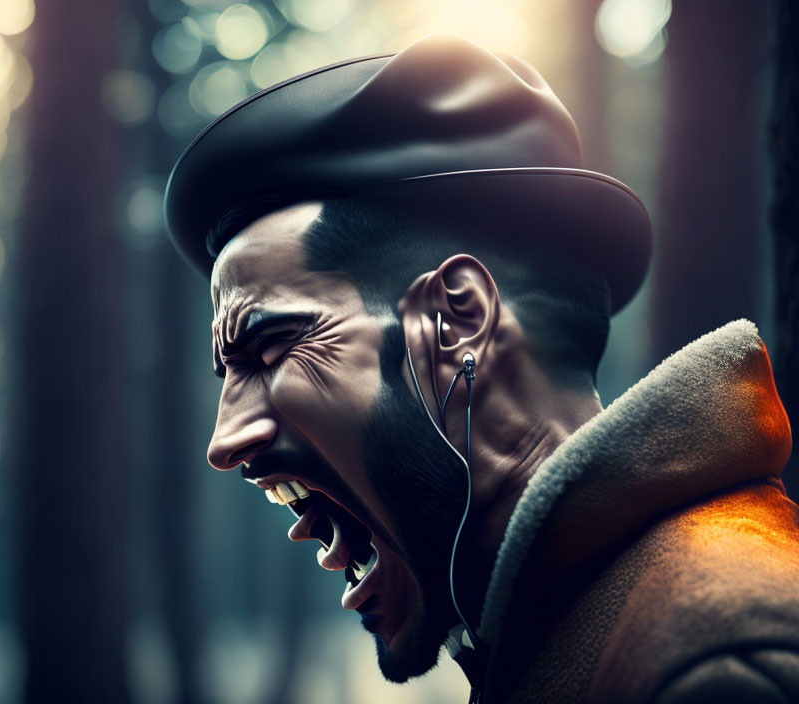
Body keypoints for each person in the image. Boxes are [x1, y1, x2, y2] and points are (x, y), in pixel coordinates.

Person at [164, 34, 799, 703]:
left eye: (267, 349)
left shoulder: (720, 670)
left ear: (456, 320)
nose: (223, 441)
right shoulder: (568, 626)